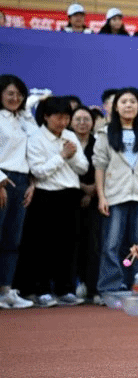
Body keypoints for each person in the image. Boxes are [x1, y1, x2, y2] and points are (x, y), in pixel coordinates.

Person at [22, 96, 87, 306]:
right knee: (43, 245)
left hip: (70, 195)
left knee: (69, 245)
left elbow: (83, 167)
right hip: (45, 195)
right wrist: (62, 156)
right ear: (46, 116)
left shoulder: (70, 136)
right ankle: (41, 290)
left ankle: (65, 289)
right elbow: (38, 171)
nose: (63, 122)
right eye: (58, 117)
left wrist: (72, 156)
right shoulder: (35, 138)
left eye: (66, 117)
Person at [93, 88, 138, 294]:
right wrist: (101, 196)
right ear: (115, 107)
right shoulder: (105, 133)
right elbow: (99, 166)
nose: (128, 105)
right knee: (111, 243)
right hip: (114, 194)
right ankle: (110, 285)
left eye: (132, 101)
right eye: (123, 101)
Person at [0, 74, 37, 309]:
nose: (15, 98)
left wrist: (32, 183)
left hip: (23, 181)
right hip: (3, 179)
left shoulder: (23, 119)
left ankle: (6, 291)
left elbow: (34, 148)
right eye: (10, 93)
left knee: (12, 240)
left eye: (20, 95)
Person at [69, 105, 100, 302]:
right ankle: (70, 287)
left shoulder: (98, 143)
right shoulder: (66, 142)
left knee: (93, 244)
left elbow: (105, 168)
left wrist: (92, 191)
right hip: (70, 197)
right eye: (78, 119)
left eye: (86, 119)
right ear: (71, 122)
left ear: (93, 122)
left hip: (96, 200)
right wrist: (83, 188)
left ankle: (92, 287)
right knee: (71, 243)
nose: (82, 123)